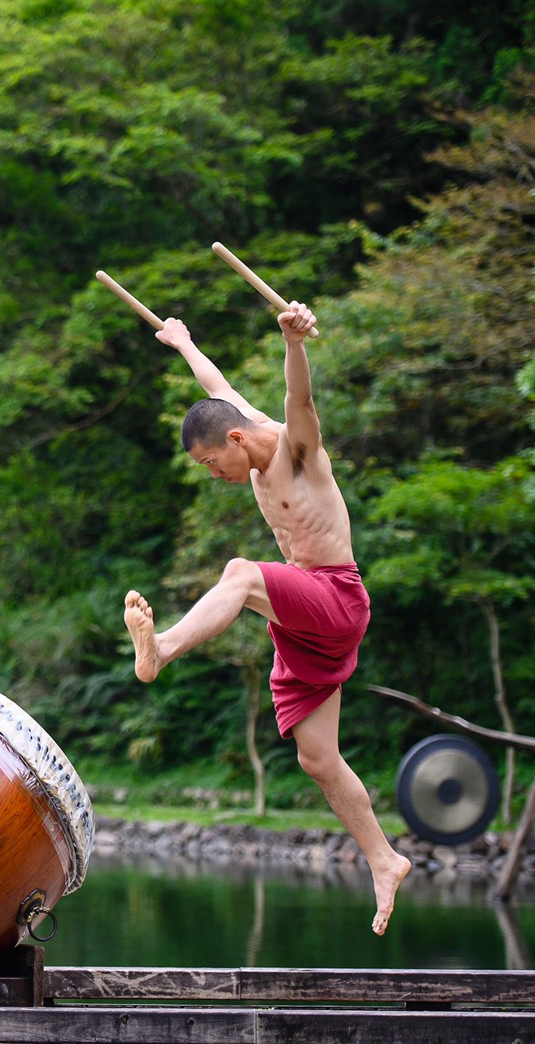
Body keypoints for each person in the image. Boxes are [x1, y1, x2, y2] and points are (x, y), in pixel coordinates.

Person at [123, 301, 411, 935]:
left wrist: (294, 341)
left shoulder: (296, 449)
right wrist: (183, 339)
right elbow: (216, 386)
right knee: (318, 759)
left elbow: (299, 400)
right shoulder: (239, 427)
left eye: (209, 464)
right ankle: (384, 859)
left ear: (232, 441)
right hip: (304, 619)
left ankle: (163, 649)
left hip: (334, 597)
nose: (214, 476)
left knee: (242, 573)